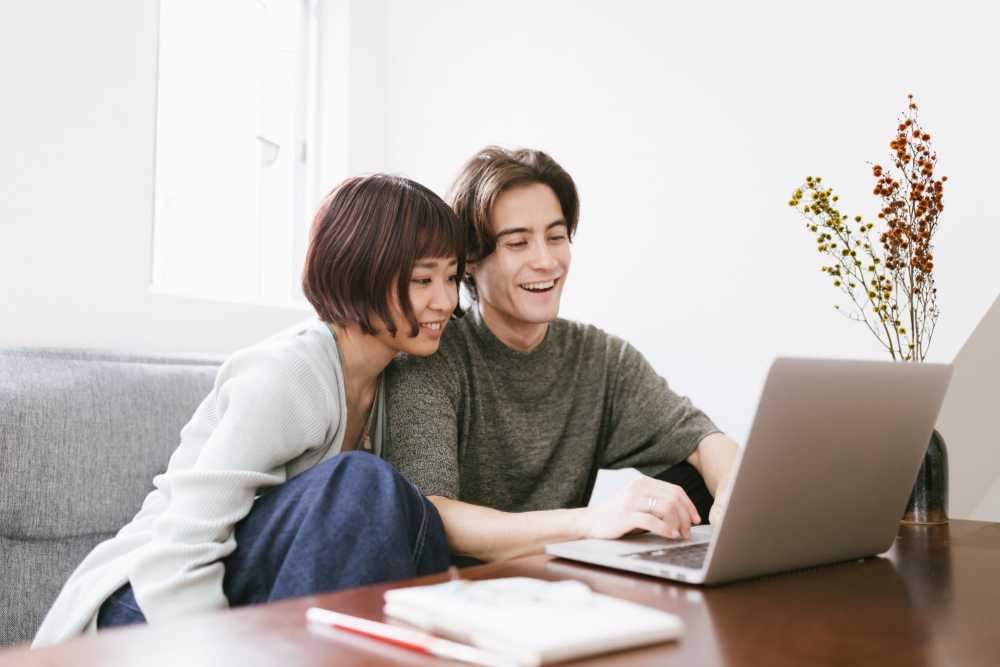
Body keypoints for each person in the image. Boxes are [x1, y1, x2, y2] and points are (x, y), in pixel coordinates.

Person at [33, 175, 464, 646]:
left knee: (413, 513)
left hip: (251, 599)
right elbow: (176, 553)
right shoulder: (290, 374)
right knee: (362, 483)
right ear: (360, 270)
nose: (445, 301)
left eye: (452, 277)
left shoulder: (389, 381)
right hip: (150, 604)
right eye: (424, 279)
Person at [384, 147, 740, 563]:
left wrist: (734, 494)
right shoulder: (431, 360)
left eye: (556, 237)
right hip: (460, 595)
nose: (546, 260)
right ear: (468, 262)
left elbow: (702, 439)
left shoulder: (600, 358)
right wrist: (590, 522)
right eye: (518, 243)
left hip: (565, 593)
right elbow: (433, 513)